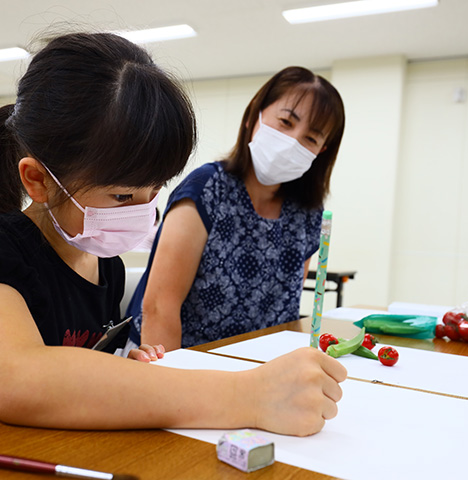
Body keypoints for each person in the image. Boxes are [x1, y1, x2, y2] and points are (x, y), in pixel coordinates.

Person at [0, 33, 347, 437]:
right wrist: (249, 396)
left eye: (154, 192)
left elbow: (71, 365)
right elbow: (23, 381)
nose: (144, 213)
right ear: (38, 180)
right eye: (122, 196)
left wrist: (116, 373)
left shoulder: (106, 267)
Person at [127, 66, 345, 350]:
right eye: (286, 122)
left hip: (261, 368)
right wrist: (174, 385)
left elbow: (286, 307)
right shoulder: (206, 189)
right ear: (255, 116)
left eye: (311, 138)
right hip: (181, 362)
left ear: (321, 152)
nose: (293, 142)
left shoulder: (309, 214)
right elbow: (159, 307)